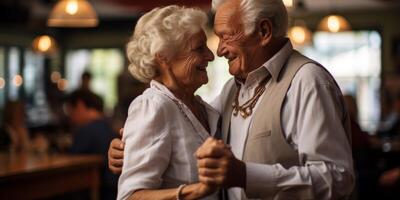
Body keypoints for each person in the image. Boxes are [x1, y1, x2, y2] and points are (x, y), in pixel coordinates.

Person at [109, 0, 355, 199]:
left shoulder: (307, 81)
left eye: (226, 37)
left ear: (264, 32)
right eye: (200, 47)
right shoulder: (231, 90)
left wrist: (246, 176)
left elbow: (337, 178)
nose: (217, 52)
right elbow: (169, 131)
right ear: (164, 56)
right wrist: (128, 149)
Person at [116, 5, 218, 200]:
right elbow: (130, 196)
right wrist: (195, 190)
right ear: (164, 57)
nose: (211, 56)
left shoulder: (203, 107)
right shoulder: (153, 107)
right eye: (199, 48)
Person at [65, 89, 119, 200]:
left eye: (70, 111)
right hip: (117, 190)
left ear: (80, 106)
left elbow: (69, 166)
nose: (70, 117)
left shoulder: (85, 131)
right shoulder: (110, 128)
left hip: (101, 193)